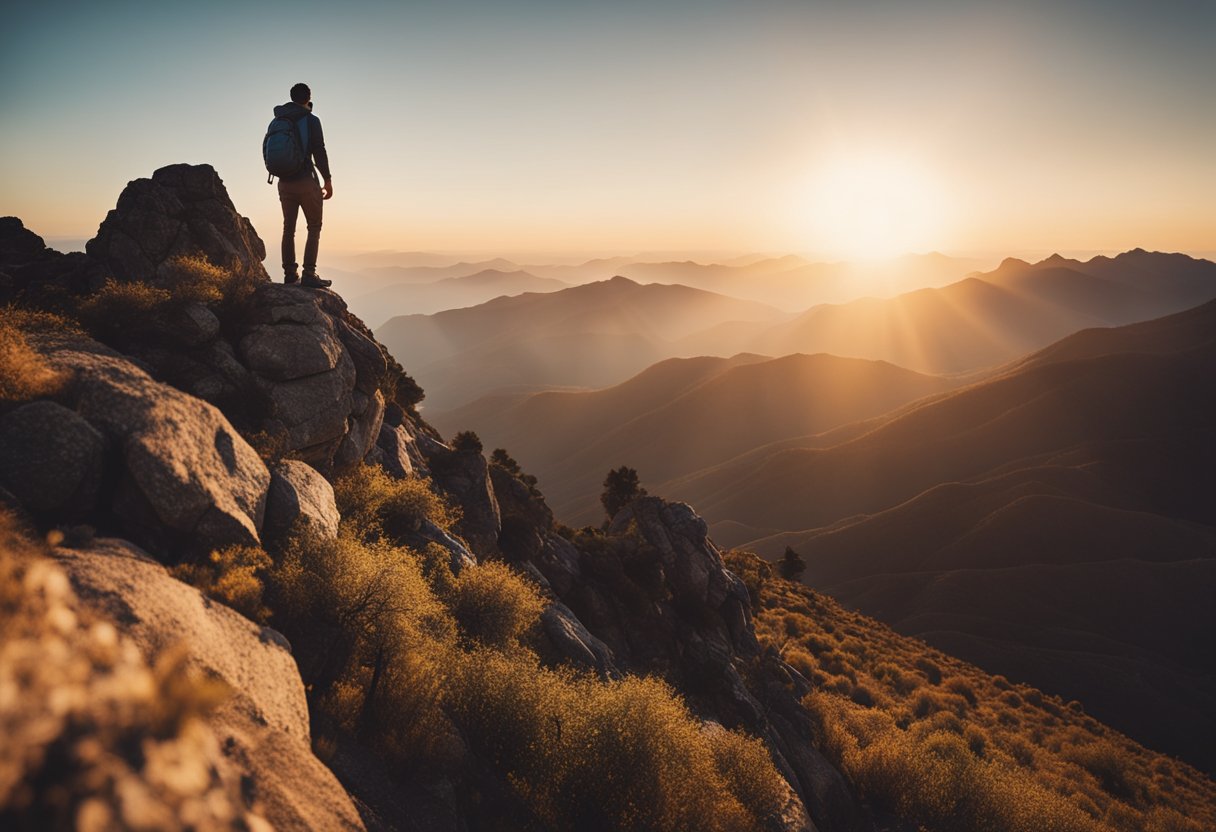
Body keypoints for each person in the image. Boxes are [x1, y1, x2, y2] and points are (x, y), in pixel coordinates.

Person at [274, 82, 333, 287]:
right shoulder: (311, 120)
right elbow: (319, 151)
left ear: (291, 97)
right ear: (308, 97)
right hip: (306, 181)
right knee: (314, 227)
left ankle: (290, 274)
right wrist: (327, 179)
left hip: (284, 182)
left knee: (288, 228)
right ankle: (309, 274)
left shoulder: (279, 120)